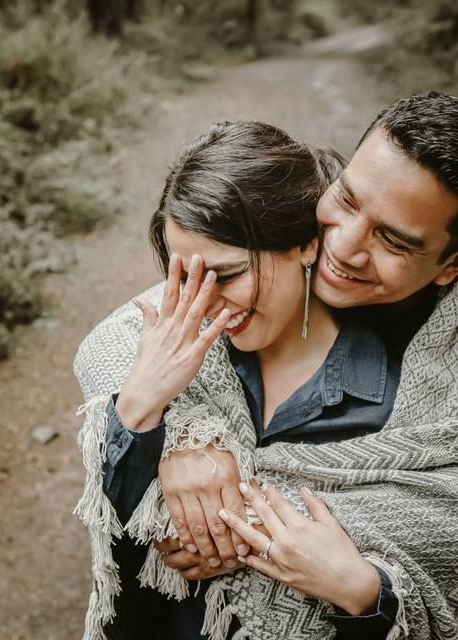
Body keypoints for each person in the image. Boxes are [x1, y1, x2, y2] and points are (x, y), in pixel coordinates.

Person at [74, 93, 458, 640]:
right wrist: (170, 430)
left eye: (391, 239)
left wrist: (339, 577)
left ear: (454, 263)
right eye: (344, 200)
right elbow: (122, 340)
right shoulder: (224, 306)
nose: (339, 247)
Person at [79, 120, 406, 639]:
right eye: (184, 280)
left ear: (304, 243)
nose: (203, 306)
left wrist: (242, 537)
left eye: (226, 276)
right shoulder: (173, 366)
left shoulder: (391, 401)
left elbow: (407, 590)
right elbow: (125, 556)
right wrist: (143, 414)